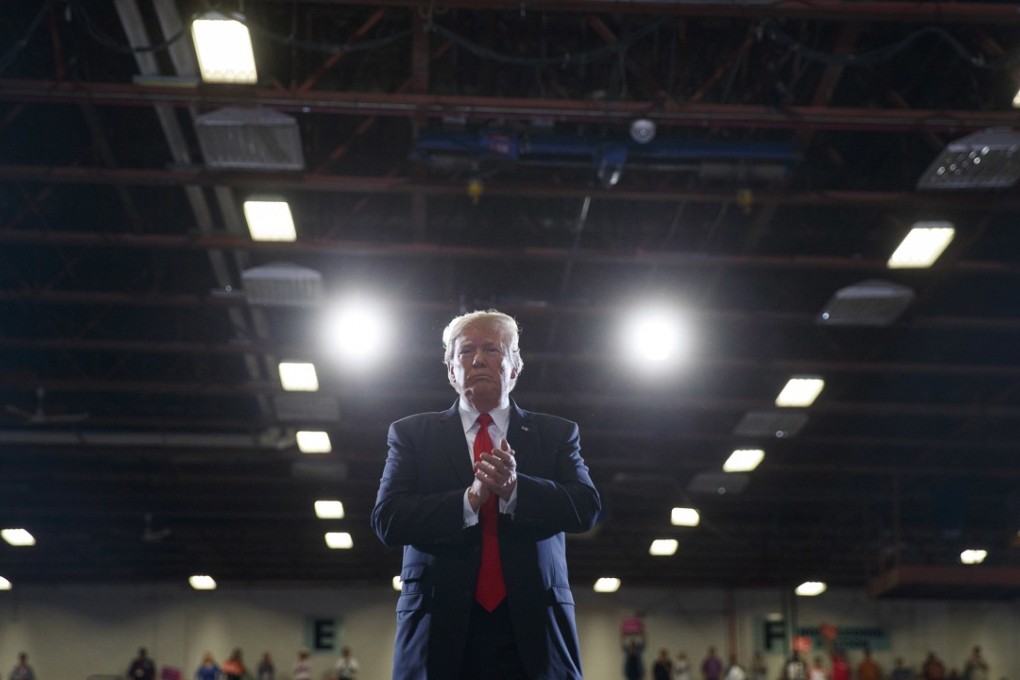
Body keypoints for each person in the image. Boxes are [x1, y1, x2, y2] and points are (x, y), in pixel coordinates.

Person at [371, 309, 602, 680]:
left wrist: (515, 489)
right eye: (464, 352)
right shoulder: (411, 434)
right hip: (437, 628)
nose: (477, 359)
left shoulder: (556, 434)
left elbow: (587, 509)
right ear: (450, 370)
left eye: (492, 349)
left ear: (515, 366)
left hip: (533, 629)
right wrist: (470, 499)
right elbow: (388, 520)